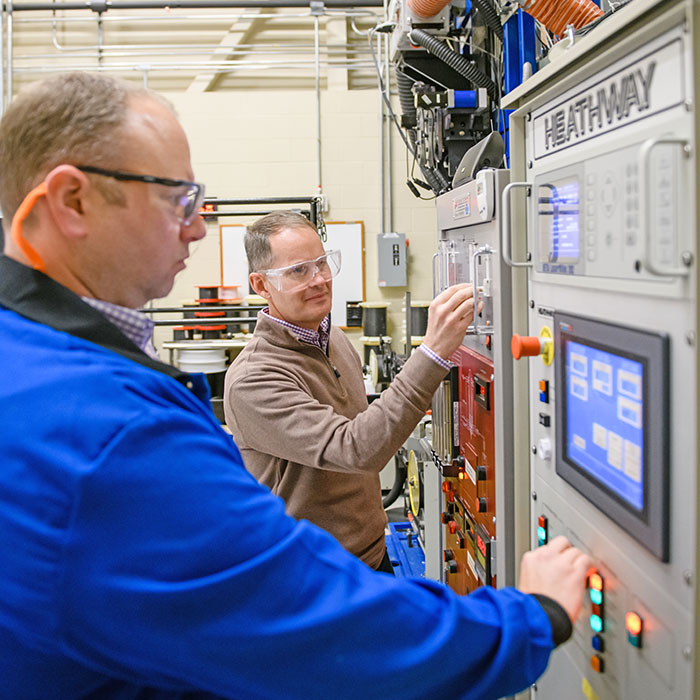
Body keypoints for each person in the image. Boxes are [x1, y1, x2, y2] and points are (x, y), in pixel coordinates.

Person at [0, 71, 592, 700]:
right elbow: (319, 628)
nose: (197, 230)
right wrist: (534, 617)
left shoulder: (34, 359)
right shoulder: (112, 427)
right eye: (178, 198)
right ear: (71, 202)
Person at [225, 211, 476, 572]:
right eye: (298, 271)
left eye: (322, 263)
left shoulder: (334, 338)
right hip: (310, 578)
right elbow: (356, 448)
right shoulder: (254, 379)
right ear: (261, 285)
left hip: (369, 557)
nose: (319, 280)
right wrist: (432, 353)